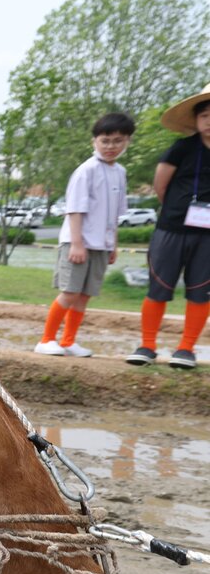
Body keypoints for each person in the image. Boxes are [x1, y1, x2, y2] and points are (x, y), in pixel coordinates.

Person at [35, 112, 136, 357]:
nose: (111, 146)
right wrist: (77, 243)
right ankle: (46, 339)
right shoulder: (86, 170)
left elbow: (115, 215)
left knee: (84, 295)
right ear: (95, 142)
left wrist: (113, 245)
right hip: (77, 242)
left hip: (101, 244)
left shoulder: (120, 172)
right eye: (105, 140)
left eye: (117, 141)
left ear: (127, 142)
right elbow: (75, 209)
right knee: (69, 292)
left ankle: (69, 341)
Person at [127, 82, 210, 369]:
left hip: (208, 237)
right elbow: (161, 185)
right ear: (197, 120)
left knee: (201, 291)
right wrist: (177, 209)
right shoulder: (182, 148)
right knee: (158, 287)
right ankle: (147, 345)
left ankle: (186, 349)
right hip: (172, 229)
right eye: (205, 115)